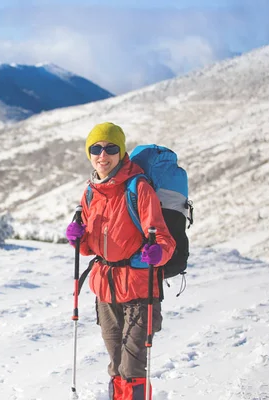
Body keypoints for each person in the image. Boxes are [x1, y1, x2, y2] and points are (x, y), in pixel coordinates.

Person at [65, 122, 176, 400]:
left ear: (121, 151)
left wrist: (158, 252)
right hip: (105, 290)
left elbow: (164, 238)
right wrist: (77, 238)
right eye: (96, 148)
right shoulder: (91, 192)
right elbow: (92, 247)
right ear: (89, 153)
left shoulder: (138, 188)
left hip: (139, 289)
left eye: (111, 148)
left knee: (132, 365)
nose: (103, 154)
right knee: (116, 364)